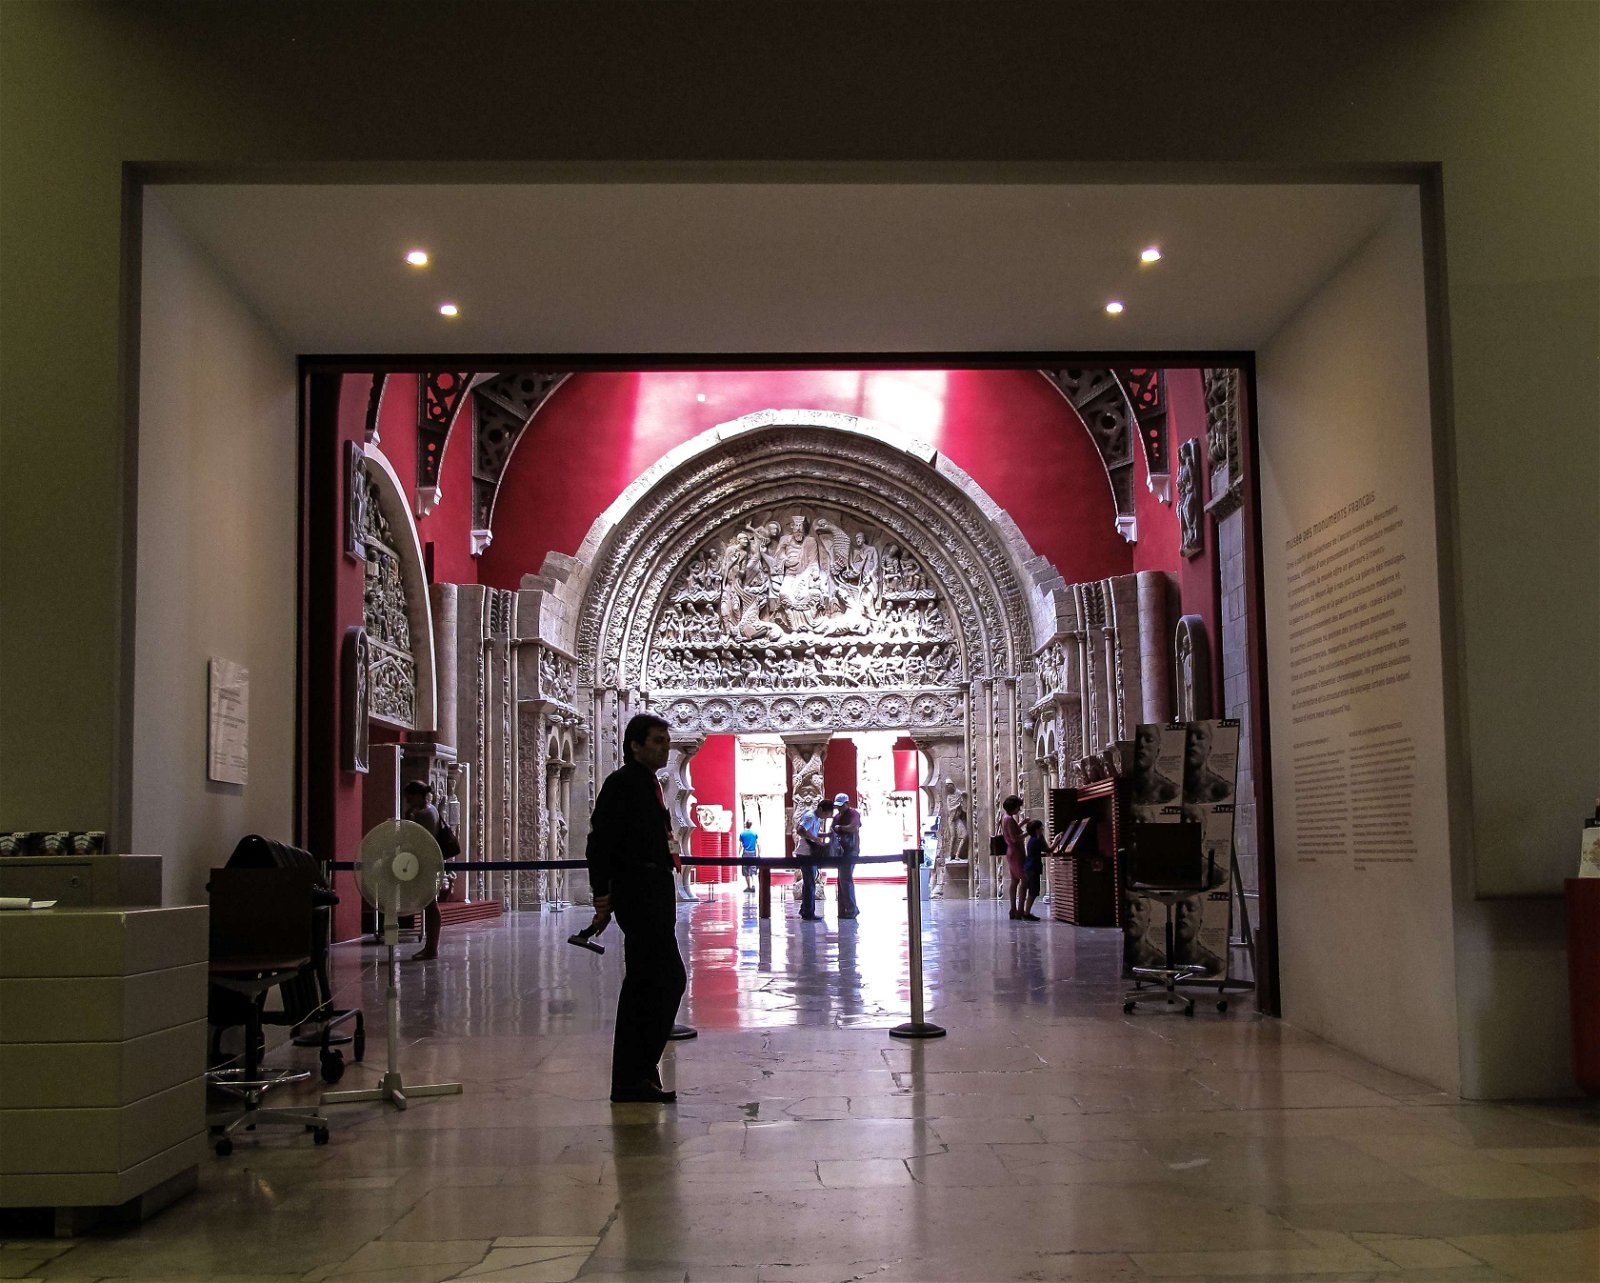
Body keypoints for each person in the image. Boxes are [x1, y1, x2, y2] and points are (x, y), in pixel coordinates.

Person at [584, 713, 686, 1104]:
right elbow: (600, 844)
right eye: (657, 740)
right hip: (639, 892)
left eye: (666, 740)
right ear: (635, 746)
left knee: (651, 982)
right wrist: (601, 896)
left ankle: (638, 1074)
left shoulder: (647, 785)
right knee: (660, 980)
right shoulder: (623, 784)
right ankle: (633, 1075)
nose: (664, 747)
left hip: (652, 889)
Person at [402, 780, 458, 962]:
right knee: (430, 905)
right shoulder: (431, 809)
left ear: (417, 795)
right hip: (432, 862)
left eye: (409, 796)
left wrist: (410, 818)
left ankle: (431, 947)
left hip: (427, 863)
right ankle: (430, 946)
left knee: (430, 905)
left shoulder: (425, 813)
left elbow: (418, 839)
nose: (407, 800)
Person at [793, 796, 835, 921]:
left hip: (810, 854)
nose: (826, 817)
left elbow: (812, 833)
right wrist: (815, 839)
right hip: (805, 854)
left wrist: (824, 835)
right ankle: (808, 912)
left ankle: (805, 909)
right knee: (810, 883)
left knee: (809, 883)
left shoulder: (816, 818)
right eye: (826, 814)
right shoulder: (811, 816)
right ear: (821, 809)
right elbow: (800, 830)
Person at [829, 792, 860, 919]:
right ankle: (843, 910)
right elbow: (832, 829)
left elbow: (853, 827)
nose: (839, 808)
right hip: (840, 851)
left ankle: (852, 909)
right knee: (841, 880)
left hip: (851, 850)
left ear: (847, 803)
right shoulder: (837, 816)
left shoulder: (854, 814)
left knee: (845, 879)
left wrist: (840, 828)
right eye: (837, 806)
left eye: (841, 806)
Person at [1000, 795, 1028, 919]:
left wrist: (1023, 823)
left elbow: (1012, 831)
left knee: (1014, 881)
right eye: (1018, 807)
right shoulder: (1009, 819)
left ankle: (1013, 909)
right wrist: (1029, 832)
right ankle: (1020, 909)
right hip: (1016, 852)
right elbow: (1014, 838)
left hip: (1011, 852)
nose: (1019, 809)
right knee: (1024, 880)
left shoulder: (1005, 817)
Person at [1020, 819, 1049, 921]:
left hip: (1029, 867)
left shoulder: (1032, 840)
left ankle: (1026, 911)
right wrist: (1057, 841)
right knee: (1033, 891)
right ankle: (1027, 912)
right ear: (1037, 830)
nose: (1042, 829)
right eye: (1041, 828)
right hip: (1033, 868)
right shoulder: (1036, 841)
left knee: (1032, 891)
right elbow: (1049, 849)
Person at [737, 819, 761, 893]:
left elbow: (741, 845)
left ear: (745, 825)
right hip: (753, 853)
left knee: (746, 871)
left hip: (745, 853)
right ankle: (754, 885)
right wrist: (759, 853)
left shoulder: (742, 834)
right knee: (753, 870)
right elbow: (758, 844)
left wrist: (739, 853)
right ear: (751, 825)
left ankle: (748, 886)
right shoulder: (754, 834)